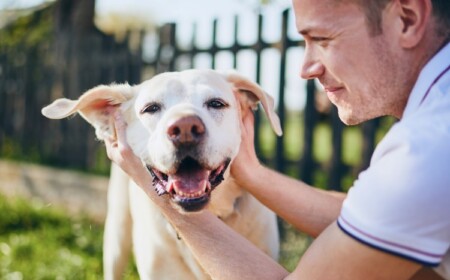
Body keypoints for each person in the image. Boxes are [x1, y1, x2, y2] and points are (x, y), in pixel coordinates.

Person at [105, 0, 450, 279]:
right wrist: (251, 173)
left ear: (406, 19)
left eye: (323, 39)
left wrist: (163, 198)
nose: (306, 68)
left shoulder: (428, 147)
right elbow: (376, 218)